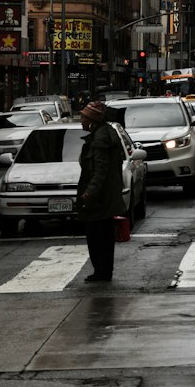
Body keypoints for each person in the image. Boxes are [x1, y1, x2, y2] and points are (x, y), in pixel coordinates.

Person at [75, 101, 127, 284]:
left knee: (98, 237)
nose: (81, 121)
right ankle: (103, 271)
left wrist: (89, 193)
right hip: (104, 198)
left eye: (83, 118)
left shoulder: (100, 140)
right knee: (102, 236)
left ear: (92, 121)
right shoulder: (100, 135)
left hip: (100, 200)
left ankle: (102, 272)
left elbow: (100, 171)